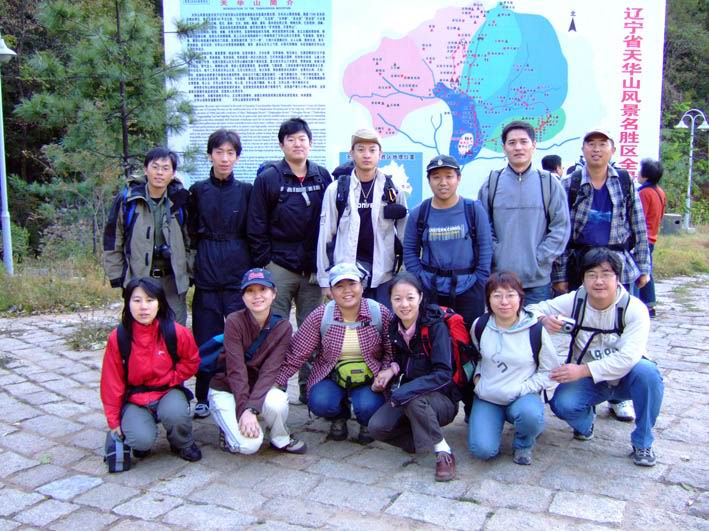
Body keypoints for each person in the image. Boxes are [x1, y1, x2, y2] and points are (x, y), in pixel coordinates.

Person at [530, 248, 663, 467]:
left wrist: (581, 370)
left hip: (624, 377)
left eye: (606, 274)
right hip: (588, 380)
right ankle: (586, 423)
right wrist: (543, 319)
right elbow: (531, 309)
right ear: (583, 279)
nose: (598, 281)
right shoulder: (576, 300)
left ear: (617, 278)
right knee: (562, 404)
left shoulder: (634, 309)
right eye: (591, 275)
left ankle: (643, 441)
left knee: (648, 373)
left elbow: (628, 358)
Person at [551, 128, 650, 422]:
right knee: (583, 328)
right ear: (582, 150)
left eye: (602, 144)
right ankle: (585, 392)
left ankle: (620, 396)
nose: (596, 149)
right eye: (590, 144)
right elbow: (561, 232)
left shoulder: (624, 181)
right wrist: (560, 274)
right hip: (581, 263)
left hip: (617, 264)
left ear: (612, 149)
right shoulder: (570, 183)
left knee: (621, 328)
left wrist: (644, 267)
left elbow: (638, 224)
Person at [248, 118, 332, 404]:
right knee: (274, 329)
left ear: (311, 143)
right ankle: (274, 390)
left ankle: (310, 389)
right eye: (291, 139)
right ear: (281, 144)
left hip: (312, 269)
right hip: (279, 267)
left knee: (312, 331)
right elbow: (256, 224)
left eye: (302, 139)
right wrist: (266, 264)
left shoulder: (321, 176)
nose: (298, 144)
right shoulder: (269, 178)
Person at [276, 262, 394, 443]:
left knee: (368, 406)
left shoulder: (379, 313)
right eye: (339, 286)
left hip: (369, 377)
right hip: (332, 376)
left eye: (352, 284)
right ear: (330, 291)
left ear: (362, 286)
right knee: (321, 402)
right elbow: (297, 352)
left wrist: (386, 371)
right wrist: (277, 383)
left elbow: (391, 350)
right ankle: (339, 416)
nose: (347, 291)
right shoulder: (321, 316)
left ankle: (367, 421)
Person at [367, 272, 460, 482]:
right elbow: (402, 359)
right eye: (397, 299)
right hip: (409, 395)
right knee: (377, 427)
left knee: (413, 400)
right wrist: (390, 370)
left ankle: (443, 452)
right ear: (390, 300)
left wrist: (406, 391)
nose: (404, 304)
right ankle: (421, 439)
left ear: (420, 297)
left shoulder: (435, 326)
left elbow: (443, 373)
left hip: (442, 399)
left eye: (410, 297)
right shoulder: (394, 326)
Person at [100, 277, 201, 463]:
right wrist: (113, 422)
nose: (143, 307)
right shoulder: (119, 338)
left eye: (150, 300)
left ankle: (182, 443)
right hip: (135, 398)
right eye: (137, 300)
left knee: (176, 414)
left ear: (159, 303)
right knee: (140, 441)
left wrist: (172, 378)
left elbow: (192, 360)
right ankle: (139, 435)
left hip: (167, 392)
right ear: (128, 303)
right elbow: (111, 382)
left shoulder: (175, 332)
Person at [188, 129, 253, 418]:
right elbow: (190, 232)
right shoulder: (197, 191)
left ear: (237, 157)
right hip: (207, 271)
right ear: (210, 155)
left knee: (242, 336)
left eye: (230, 153)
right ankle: (203, 395)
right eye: (219, 152)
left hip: (238, 271)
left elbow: (254, 230)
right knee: (205, 336)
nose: (225, 158)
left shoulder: (246, 191)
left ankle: (242, 390)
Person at [208, 268, 306, 455]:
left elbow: (270, 371)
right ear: (243, 296)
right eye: (250, 291)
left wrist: (251, 408)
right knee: (249, 446)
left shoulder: (282, 327)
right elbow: (236, 370)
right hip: (227, 388)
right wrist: (244, 410)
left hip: (258, 387)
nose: (257, 296)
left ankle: (279, 437)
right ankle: (227, 425)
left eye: (263, 289)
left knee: (277, 401)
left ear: (274, 293)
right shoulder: (234, 321)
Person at [467, 272, 559, 465]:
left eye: (510, 295)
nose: (504, 302)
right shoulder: (480, 325)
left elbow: (549, 371)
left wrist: (521, 389)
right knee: (482, 450)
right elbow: (474, 357)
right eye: (497, 295)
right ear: (488, 299)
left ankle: (524, 443)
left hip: (521, 395)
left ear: (520, 298)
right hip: (488, 395)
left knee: (530, 415)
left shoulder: (535, 330)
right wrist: (477, 379)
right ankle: (492, 423)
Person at [478, 120, 570, 305]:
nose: (518, 147)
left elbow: (561, 227)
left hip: (537, 282)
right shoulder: (492, 183)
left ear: (533, 145)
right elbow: (482, 227)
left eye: (523, 142)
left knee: (535, 324)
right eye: (512, 143)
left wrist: (540, 258)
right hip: (500, 282)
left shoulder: (549, 183)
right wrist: (498, 254)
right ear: (504, 147)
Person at [317, 128, 408, 306]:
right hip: (346, 275)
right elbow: (325, 235)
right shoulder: (337, 190)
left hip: (383, 275)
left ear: (380, 154)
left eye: (372, 150)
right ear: (351, 153)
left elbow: (405, 234)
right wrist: (325, 279)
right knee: (349, 322)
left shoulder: (393, 189)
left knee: (382, 320)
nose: (366, 155)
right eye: (360, 149)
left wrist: (404, 275)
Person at [103, 148, 191, 325]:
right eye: (155, 167)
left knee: (175, 329)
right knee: (141, 330)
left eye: (165, 168)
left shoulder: (181, 200)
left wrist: (190, 271)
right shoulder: (128, 200)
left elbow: (191, 239)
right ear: (145, 169)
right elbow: (113, 239)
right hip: (140, 277)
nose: (159, 173)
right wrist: (117, 275)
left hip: (172, 279)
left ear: (173, 173)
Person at [403, 154, 492, 329]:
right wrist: (419, 279)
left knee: (470, 338)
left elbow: (485, 248)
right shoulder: (419, 213)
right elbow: (410, 250)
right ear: (429, 181)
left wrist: (479, 280)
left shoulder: (473, 210)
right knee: (434, 339)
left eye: (449, 176)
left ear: (458, 178)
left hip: (469, 288)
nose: (443, 183)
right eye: (436, 177)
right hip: (430, 288)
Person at [636, 158, 666, 318]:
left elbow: (638, 217)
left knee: (642, 271)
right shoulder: (660, 192)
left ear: (645, 175)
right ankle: (649, 304)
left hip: (643, 238)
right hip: (652, 236)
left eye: (640, 171)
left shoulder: (643, 193)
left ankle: (646, 304)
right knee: (646, 269)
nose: (637, 174)